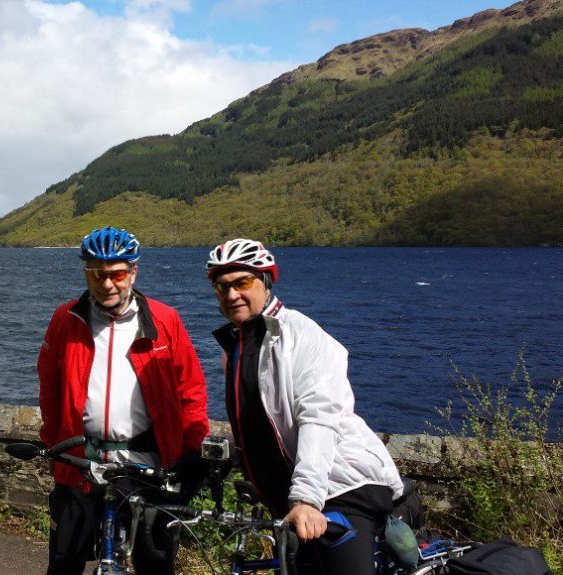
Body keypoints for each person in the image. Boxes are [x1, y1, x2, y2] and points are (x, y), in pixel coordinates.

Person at [206, 238, 404, 575]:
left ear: (265, 283)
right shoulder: (238, 345)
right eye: (222, 287)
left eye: (242, 283)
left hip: (342, 487)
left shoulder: (301, 336)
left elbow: (318, 418)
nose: (231, 294)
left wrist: (307, 499)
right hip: (297, 496)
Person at [38, 226, 210, 575]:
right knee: (63, 564)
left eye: (116, 273)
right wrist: (56, 447)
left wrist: (189, 454)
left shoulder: (165, 320)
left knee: (155, 564)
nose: (107, 283)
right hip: (82, 461)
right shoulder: (65, 319)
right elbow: (50, 389)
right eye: (96, 274)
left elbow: (191, 390)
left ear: (133, 271)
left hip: (147, 462)